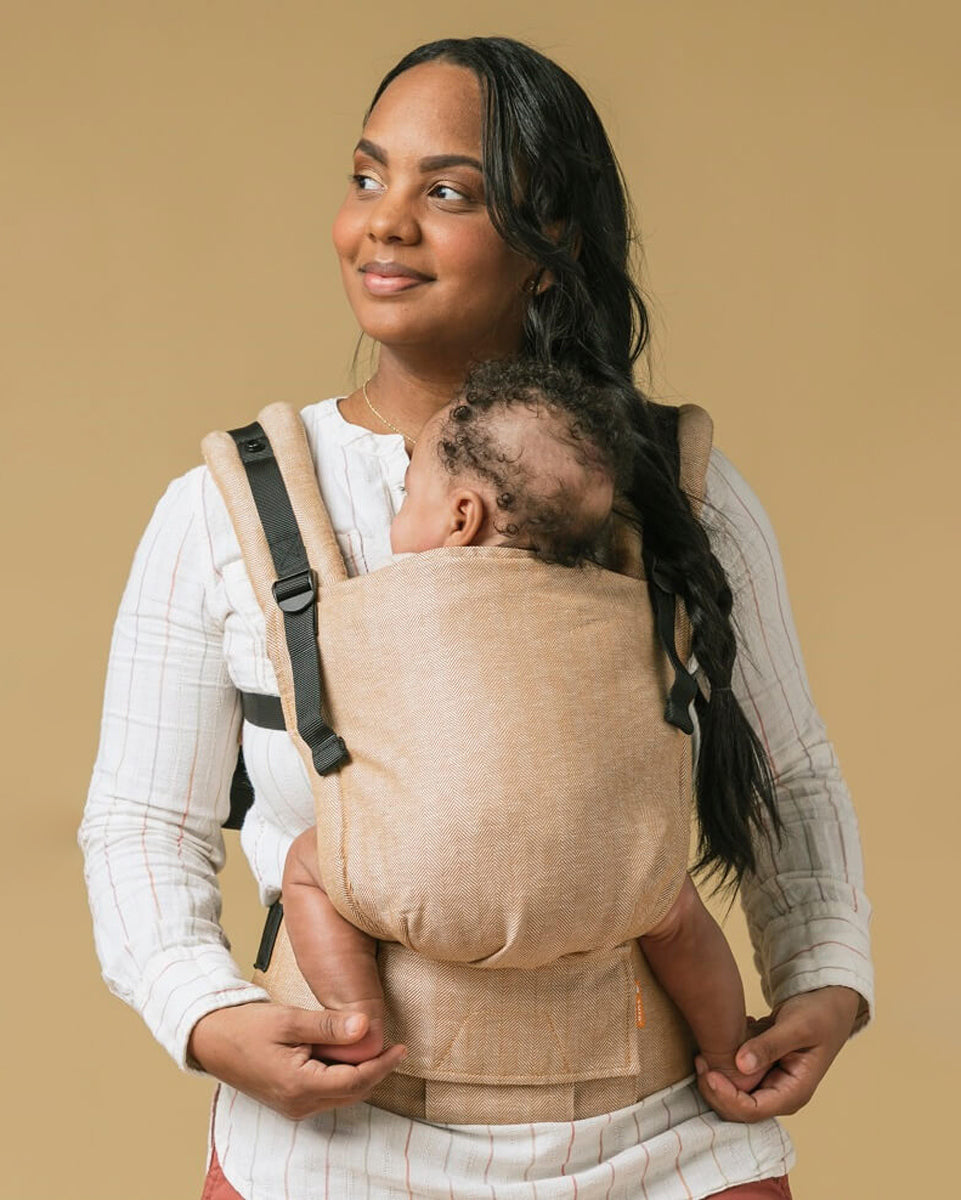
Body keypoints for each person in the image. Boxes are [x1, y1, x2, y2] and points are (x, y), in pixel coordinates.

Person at [78, 36, 873, 1200]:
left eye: (446, 192)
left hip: (664, 1146)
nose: (383, 223)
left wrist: (826, 973)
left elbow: (788, 771)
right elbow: (141, 821)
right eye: (366, 178)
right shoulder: (223, 510)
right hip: (329, 1153)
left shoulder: (676, 487)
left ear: (550, 254)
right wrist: (202, 1014)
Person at [281, 355, 765, 1099]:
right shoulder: (613, 601)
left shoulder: (396, 597)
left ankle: (357, 1020)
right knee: (676, 913)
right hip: (612, 884)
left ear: (461, 517)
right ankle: (732, 1055)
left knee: (309, 868)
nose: (395, 514)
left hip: (418, 878)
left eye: (410, 494)